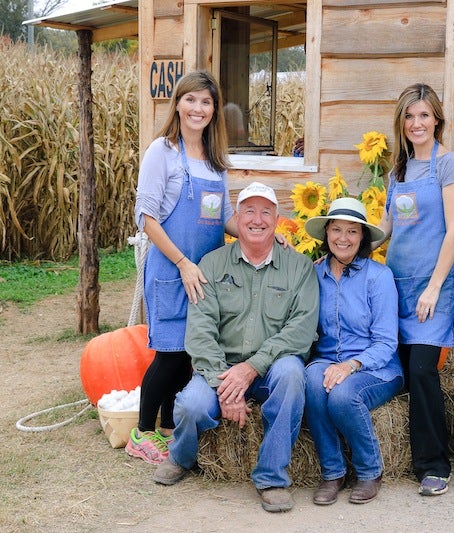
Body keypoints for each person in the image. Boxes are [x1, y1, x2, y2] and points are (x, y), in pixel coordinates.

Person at [152, 182, 320, 513]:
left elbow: (300, 330)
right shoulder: (212, 265)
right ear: (237, 218)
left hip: (271, 367)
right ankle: (182, 457)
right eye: (249, 211)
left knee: (292, 375)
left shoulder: (299, 267)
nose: (257, 219)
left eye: (266, 212)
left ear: (276, 219)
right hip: (221, 367)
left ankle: (271, 477)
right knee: (190, 406)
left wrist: (251, 368)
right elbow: (200, 331)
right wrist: (224, 384)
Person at [128, 70, 238, 465]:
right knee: (170, 353)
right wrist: (182, 262)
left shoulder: (215, 161)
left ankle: (170, 427)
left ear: (213, 110)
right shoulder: (163, 151)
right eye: (191, 100)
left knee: (191, 352)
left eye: (206, 102)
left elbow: (225, 217)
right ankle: (141, 433)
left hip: (202, 274)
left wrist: (260, 231)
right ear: (177, 104)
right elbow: (147, 217)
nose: (198, 108)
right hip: (171, 269)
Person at [373, 83, 454, 496]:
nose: (417, 123)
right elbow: (387, 228)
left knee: (421, 370)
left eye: (424, 115)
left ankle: (434, 465)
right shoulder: (400, 170)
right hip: (397, 283)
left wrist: (433, 287)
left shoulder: (449, 165)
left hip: (435, 285)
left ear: (437, 120)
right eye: (409, 116)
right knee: (399, 371)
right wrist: (346, 246)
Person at [303, 198, 403, 506]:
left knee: (344, 396)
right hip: (327, 360)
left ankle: (369, 471)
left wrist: (352, 364)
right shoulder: (313, 274)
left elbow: (387, 342)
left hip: (376, 367)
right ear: (327, 233)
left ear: (362, 238)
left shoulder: (378, 277)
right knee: (311, 381)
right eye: (336, 230)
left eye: (352, 231)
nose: (343, 238)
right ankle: (333, 472)